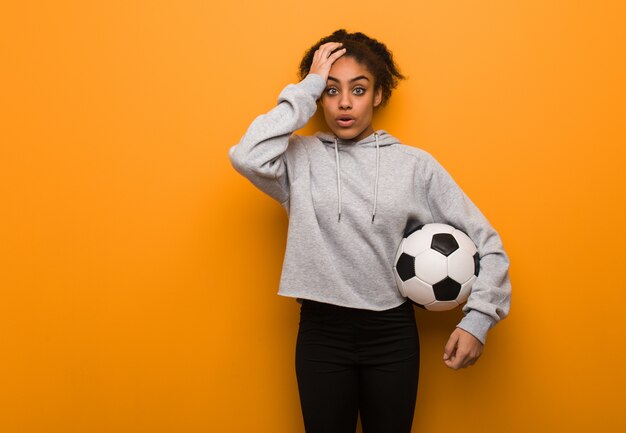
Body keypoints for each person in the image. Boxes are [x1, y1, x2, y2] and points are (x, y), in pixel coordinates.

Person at [228, 29, 511, 433]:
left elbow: (488, 243)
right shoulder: (299, 159)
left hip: (391, 336)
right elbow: (247, 155)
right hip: (321, 333)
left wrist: (477, 320)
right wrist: (306, 88)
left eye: (358, 90)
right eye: (331, 90)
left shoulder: (415, 166)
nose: (344, 102)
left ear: (378, 95)